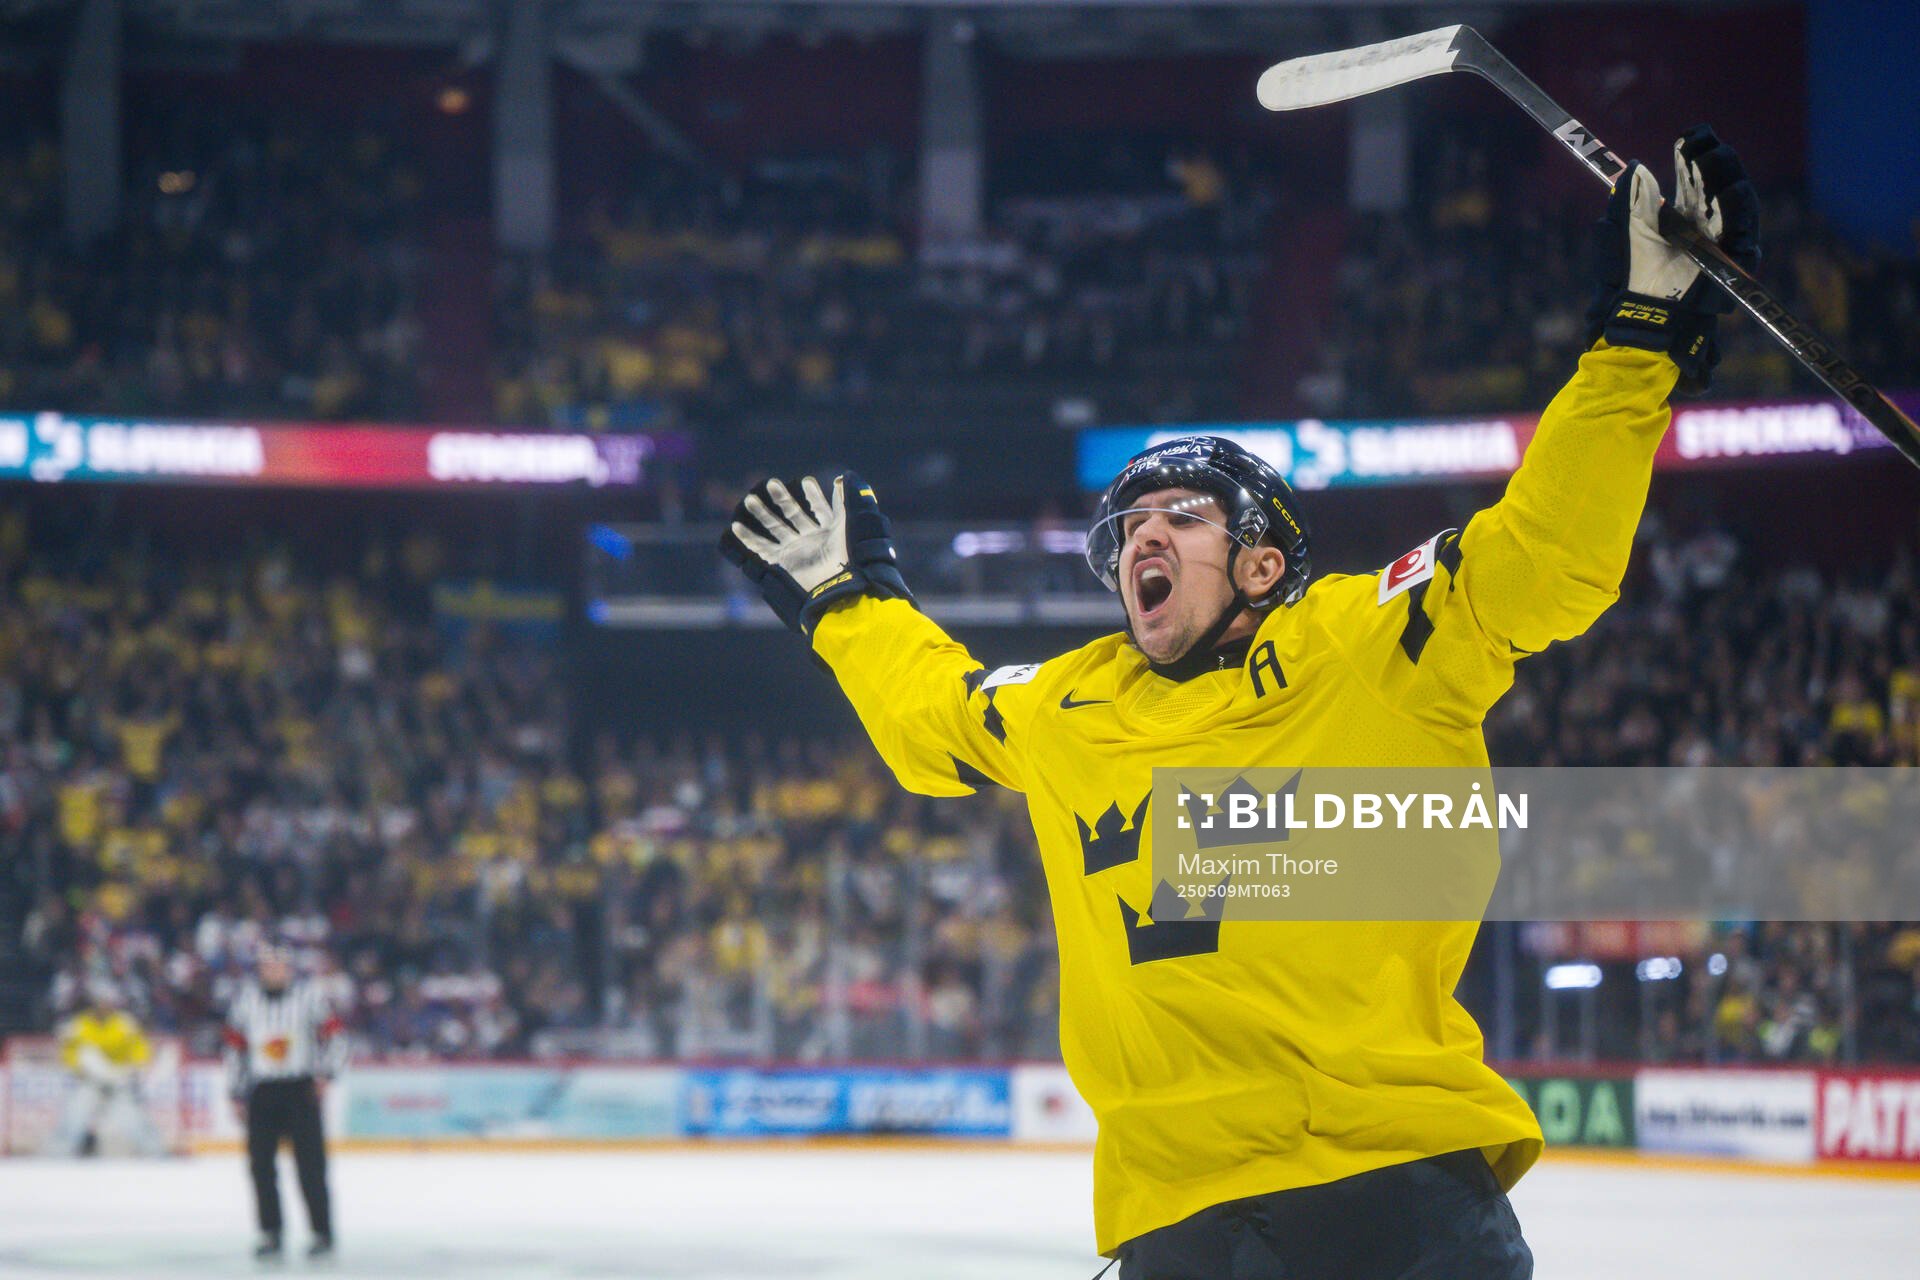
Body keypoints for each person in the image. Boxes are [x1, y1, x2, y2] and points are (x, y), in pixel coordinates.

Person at [721, 127, 1760, 1278]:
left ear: (1265, 564)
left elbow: (1542, 556)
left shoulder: (1367, 640)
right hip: (1180, 1213)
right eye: (1129, 527)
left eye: (1183, 515)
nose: (1143, 537)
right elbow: (937, 714)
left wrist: (1638, 340)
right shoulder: (1069, 703)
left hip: (1386, 1184)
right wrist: (846, 605)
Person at [224, 945, 346, 1260]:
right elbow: (235, 1049)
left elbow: (335, 1036)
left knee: (311, 1166)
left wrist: (326, 1075)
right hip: (262, 1090)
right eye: (268, 965)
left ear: (289, 968)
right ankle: (271, 1232)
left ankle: (322, 1232)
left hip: (299, 1089)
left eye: (279, 965)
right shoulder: (245, 1001)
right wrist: (236, 1092)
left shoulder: (310, 998)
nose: (274, 971)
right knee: (261, 1167)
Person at [54, 981, 168, 1157]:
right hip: (90, 1082)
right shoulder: (80, 1024)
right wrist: (78, 1068)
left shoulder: (124, 1024)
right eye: (100, 1001)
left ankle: (157, 1156)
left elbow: (140, 1048)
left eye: (107, 1002)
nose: (104, 1006)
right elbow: (70, 1052)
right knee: (74, 1117)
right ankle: (57, 1156)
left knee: (135, 1120)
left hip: (118, 1081)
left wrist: (134, 1068)